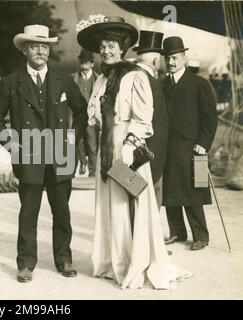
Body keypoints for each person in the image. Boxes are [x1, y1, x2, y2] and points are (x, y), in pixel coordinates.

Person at [77, 15, 189, 289]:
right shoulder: (102, 78)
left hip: (127, 149)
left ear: (123, 46)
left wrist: (128, 146)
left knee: (132, 202)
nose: (107, 50)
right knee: (111, 204)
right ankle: (114, 260)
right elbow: (93, 115)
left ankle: (135, 261)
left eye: (112, 44)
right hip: (107, 149)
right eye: (102, 46)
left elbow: (143, 118)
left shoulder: (135, 76)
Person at [0, 24, 88, 283]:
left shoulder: (64, 80)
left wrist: (73, 136)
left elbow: (81, 112)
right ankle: (25, 264)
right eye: (35, 46)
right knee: (28, 212)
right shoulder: (10, 82)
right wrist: (11, 144)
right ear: (25, 50)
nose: (41, 51)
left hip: (60, 156)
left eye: (44, 46)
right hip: (28, 155)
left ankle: (64, 259)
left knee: (62, 211)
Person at [162, 36, 218, 250]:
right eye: (168, 58)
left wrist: (203, 143)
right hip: (169, 147)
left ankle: (201, 236)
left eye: (175, 58)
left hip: (193, 148)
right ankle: (177, 232)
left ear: (184, 57)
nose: (171, 62)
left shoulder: (199, 84)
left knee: (193, 191)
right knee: (170, 190)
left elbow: (210, 118)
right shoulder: (162, 84)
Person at [133, 30, 169, 209]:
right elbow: (158, 123)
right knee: (150, 200)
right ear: (156, 61)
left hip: (126, 151)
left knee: (130, 194)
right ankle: (146, 236)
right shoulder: (151, 82)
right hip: (149, 154)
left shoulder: (127, 76)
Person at [72, 49, 99, 177]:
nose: (84, 66)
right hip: (77, 116)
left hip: (92, 117)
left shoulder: (98, 79)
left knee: (92, 144)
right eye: (82, 63)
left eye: (87, 63)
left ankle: (93, 172)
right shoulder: (74, 78)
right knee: (78, 142)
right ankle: (83, 164)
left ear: (92, 64)